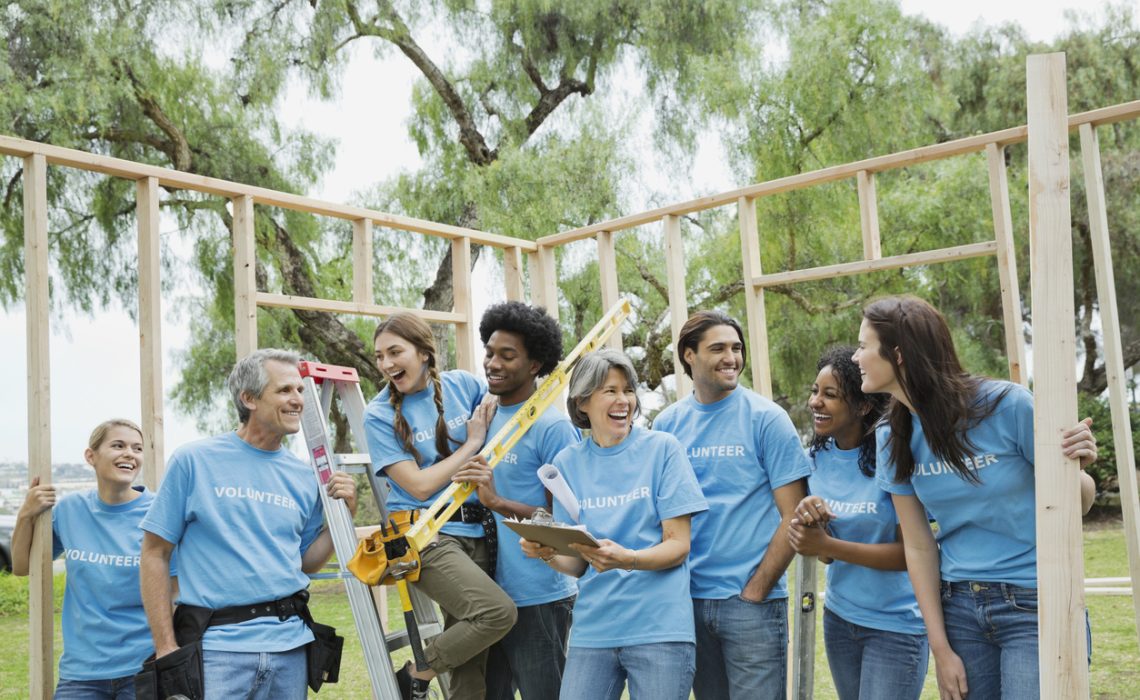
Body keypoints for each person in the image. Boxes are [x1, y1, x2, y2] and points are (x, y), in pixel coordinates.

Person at [857, 295, 1097, 700]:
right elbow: (918, 546)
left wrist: (1076, 464)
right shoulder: (891, 437)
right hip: (960, 608)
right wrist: (941, 649)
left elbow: (1081, 502)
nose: (856, 357)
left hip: (1036, 602)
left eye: (863, 346)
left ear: (897, 354)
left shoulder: (1006, 405)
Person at [140, 348, 356, 699]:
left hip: (291, 648)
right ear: (249, 398)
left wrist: (340, 517)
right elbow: (154, 553)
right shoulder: (194, 461)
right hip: (217, 652)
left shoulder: (304, 476)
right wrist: (165, 646)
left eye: (300, 390)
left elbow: (305, 561)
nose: (298, 400)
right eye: (285, 390)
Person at [521, 349, 708, 700]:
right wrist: (547, 552)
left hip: (659, 629)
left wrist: (629, 559)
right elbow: (577, 563)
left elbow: (679, 545)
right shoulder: (566, 463)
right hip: (594, 630)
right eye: (610, 391)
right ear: (582, 402)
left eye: (628, 390)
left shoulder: (663, 450)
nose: (623, 400)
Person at [652, 310, 811, 699]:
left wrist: (756, 589)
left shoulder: (767, 419)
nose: (731, 358)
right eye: (718, 348)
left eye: (737, 348)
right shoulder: (666, 425)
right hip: (685, 601)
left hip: (750, 606)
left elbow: (795, 515)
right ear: (688, 355)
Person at [364, 312, 517, 700]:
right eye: (380, 356)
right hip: (423, 534)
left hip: (475, 528)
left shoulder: (463, 384)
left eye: (395, 352)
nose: (386, 364)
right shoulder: (379, 414)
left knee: (470, 659)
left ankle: (433, 672)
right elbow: (418, 485)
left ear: (425, 352)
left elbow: (507, 418)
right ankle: (418, 670)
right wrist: (470, 444)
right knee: (496, 613)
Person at [451, 301, 580, 699]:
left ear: (535, 364)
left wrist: (499, 501)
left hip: (539, 595)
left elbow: (567, 522)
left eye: (508, 356)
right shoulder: (484, 418)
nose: (493, 363)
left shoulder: (552, 427)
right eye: (490, 352)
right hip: (487, 599)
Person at [787, 347, 927, 699]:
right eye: (815, 391)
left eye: (830, 394)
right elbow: (826, 556)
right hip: (840, 619)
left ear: (864, 405)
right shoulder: (815, 459)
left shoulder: (895, 453)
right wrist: (811, 523)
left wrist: (826, 545)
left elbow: (911, 555)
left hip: (896, 626)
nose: (815, 402)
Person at [12, 419, 170, 700]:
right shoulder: (71, 510)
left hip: (142, 668)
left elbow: (176, 589)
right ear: (91, 456)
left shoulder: (157, 512)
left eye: (137, 448)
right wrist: (26, 515)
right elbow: (23, 566)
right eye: (118, 445)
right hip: (82, 674)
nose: (130, 454)